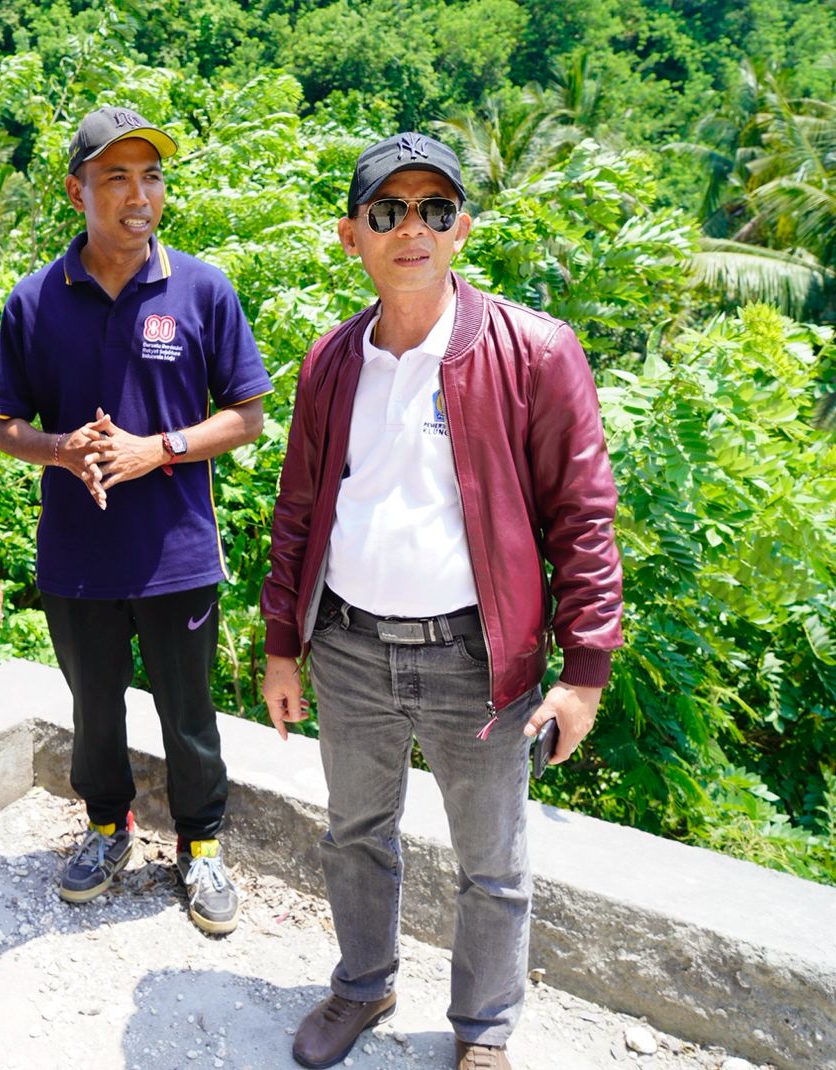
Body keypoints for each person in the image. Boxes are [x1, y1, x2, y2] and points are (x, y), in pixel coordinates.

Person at [259, 132, 624, 1070]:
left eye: (434, 209)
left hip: (479, 657)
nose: (411, 228)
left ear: (463, 226)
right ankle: (361, 984)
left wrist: (584, 673)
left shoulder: (536, 351)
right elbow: (298, 508)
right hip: (347, 645)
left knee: (492, 865)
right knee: (355, 834)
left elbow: (582, 518)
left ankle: (483, 1031)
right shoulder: (332, 361)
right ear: (353, 236)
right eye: (387, 211)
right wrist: (282, 647)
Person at [0, 106, 273, 936]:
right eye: (116, 177)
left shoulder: (200, 287)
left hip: (177, 548)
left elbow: (247, 415)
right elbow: (6, 429)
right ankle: (106, 828)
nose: (138, 194)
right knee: (95, 710)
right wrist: (62, 449)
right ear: (78, 190)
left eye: (150, 176)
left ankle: (202, 845)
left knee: (189, 713)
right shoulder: (36, 300)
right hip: (78, 554)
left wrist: (161, 449)